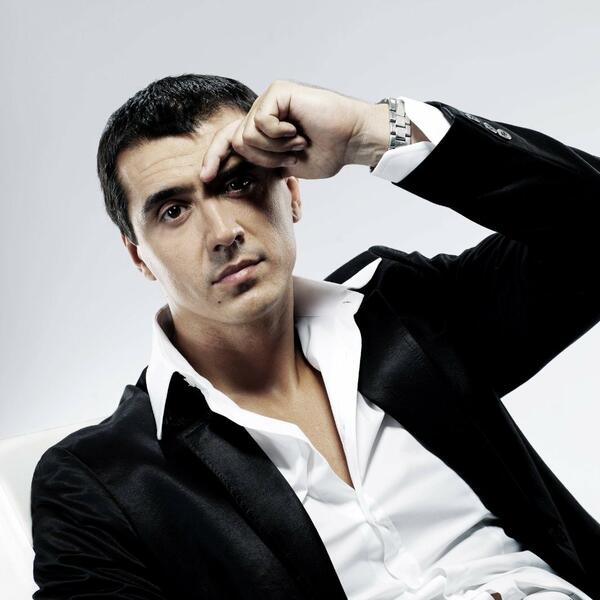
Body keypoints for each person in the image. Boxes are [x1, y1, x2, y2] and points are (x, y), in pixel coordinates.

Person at [30, 74, 600, 600]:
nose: (223, 232)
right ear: (138, 256)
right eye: (174, 211)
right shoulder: (100, 481)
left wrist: (372, 132)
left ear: (293, 193)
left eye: (238, 182)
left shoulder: (410, 314)